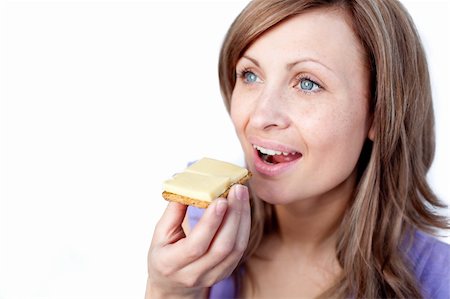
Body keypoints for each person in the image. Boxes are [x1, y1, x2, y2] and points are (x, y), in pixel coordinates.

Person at [146, 0, 450, 298]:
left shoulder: (439, 281)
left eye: (307, 83)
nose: (261, 116)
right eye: (250, 75)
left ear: (379, 112)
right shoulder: (197, 230)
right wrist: (169, 291)